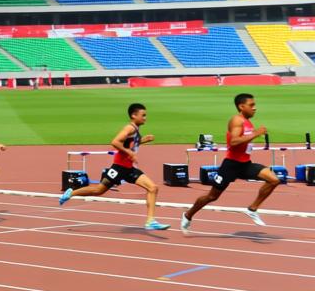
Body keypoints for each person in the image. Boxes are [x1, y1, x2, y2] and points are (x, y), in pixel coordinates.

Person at [59, 103, 169, 230]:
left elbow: (129, 144)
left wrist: (144, 140)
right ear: (134, 115)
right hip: (118, 168)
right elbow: (115, 142)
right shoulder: (129, 128)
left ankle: (150, 221)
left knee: (153, 188)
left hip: (129, 169)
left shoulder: (135, 129)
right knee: (98, 190)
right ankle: (71, 193)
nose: (145, 118)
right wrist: (130, 153)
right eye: (143, 115)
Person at [182, 93, 279, 231]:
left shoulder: (248, 122)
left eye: (254, 105)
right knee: (212, 196)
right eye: (251, 105)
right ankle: (188, 215)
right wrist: (256, 133)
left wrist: (254, 135)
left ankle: (252, 209)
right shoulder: (237, 121)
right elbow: (234, 142)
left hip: (245, 164)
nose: (255, 108)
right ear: (241, 106)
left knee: (274, 180)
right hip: (231, 165)